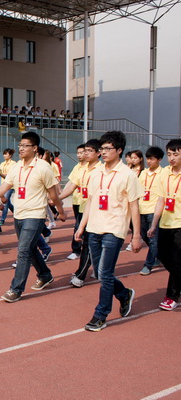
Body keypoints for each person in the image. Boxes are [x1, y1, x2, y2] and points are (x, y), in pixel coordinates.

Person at [0, 132, 66, 302]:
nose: (21, 148)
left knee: (23, 251)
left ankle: (16, 289)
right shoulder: (17, 167)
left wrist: (60, 211)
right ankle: (45, 275)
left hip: (35, 215)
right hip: (19, 214)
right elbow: (4, 187)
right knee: (30, 249)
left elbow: (53, 194)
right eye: (20, 145)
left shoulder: (43, 167)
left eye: (25, 145)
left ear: (34, 148)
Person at [75, 131, 141, 332]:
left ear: (119, 150)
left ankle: (101, 315)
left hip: (114, 229)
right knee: (100, 273)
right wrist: (81, 226)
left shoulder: (128, 175)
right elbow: (91, 201)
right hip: (94, 228)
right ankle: (124, 294)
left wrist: (136, 235)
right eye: (102, 148)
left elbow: (134, 206)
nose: (103, 152)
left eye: (107, 148)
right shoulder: (96, 173)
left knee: (105, 273)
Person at [59, 139, 102, 287]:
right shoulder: (82, 169)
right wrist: (56, 199)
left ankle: (80, 275)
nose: (85, 154)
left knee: (89, 244)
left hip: (97, 212)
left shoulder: (101, 170)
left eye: (89, 151)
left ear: (98, 153)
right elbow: (71, 187)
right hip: (84, 208)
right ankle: (98, 268)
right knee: (91, 243)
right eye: (85, 151)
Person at [148, 139, 181, 311]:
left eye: (176, 154)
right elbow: (161, 199)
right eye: (169, 154)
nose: (172, 158)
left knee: (176, 260)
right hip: (166, 223)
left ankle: (171, 296)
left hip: (180, 224)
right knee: (163, 256)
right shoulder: (164, 173)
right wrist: (154, 224)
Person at [138, 146, 164, 275]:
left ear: (159, 160)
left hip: (154, 210)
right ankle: (158, 255)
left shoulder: (163, 173)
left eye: (152, 159)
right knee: (143, 235)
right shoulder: (143, 173)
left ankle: (148, 265)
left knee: (153, 238)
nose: (149, 161)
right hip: (141, 209)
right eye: (148, 158)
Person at [65, 144, 87, 260]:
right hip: (77, 200)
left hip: (86, 202)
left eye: (82, 152)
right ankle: (78, 249)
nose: (79, 155)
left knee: (79, 225)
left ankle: (77, 250)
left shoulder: (91, 168)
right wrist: (60, 196)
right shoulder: (77, 167)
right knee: (78, 225)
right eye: (78, 153)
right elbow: (70, 183)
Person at [0, 148, 16, 225]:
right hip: (3, 185)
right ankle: (16, 212)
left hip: (10, 186)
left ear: (10, 155)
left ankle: (2, 219)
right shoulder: (2, 164)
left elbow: (10, 175)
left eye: (6, 154)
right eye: (4, 154)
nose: (4, 155)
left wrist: (2, 174)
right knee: (7, 202)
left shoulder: (13, 163)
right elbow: (0, 173)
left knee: (5, 202)